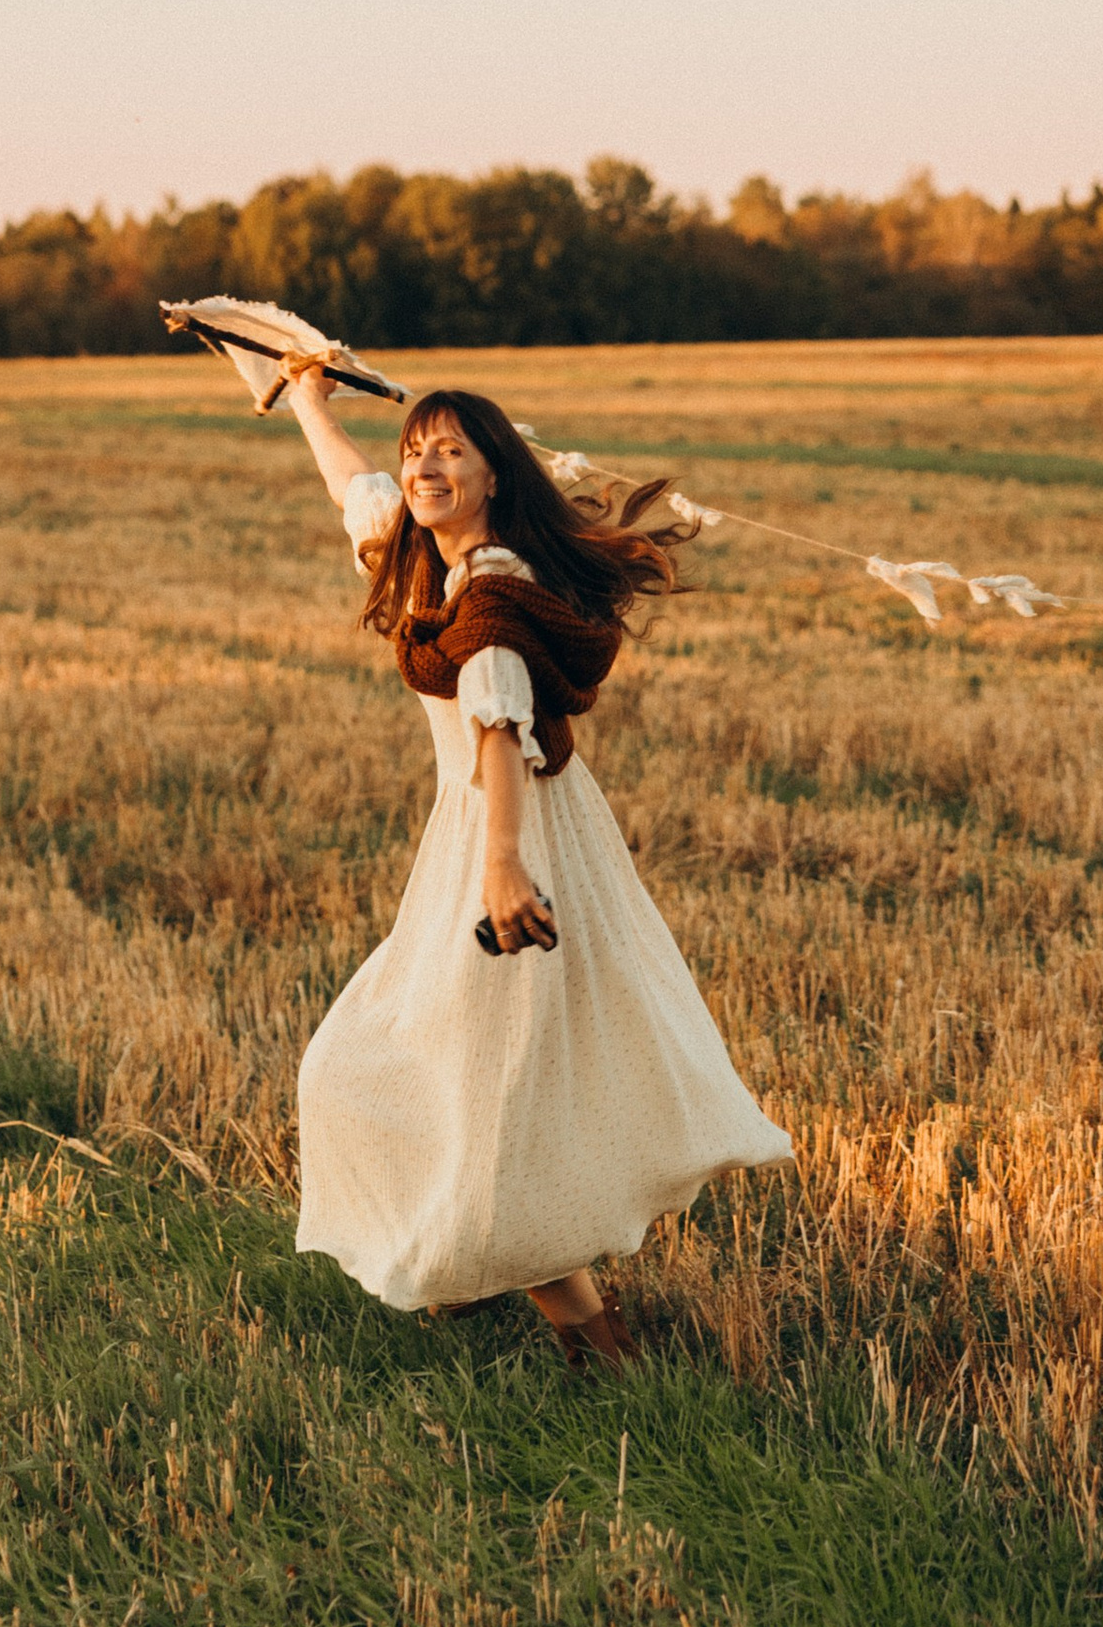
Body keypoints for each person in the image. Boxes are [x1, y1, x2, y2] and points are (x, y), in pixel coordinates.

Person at [282, 371, 793, 1367]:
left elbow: (498, 723)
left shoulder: (490, 584)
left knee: (465, 1083)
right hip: (479, 834)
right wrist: (302, 397)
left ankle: (588, 1342)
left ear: (492, 477)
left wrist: (504, 865)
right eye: (415, 449)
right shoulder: (421, 564)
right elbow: (356, 491)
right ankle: (474, 1268)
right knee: (440, 1066)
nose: (422, 466)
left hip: (512, 835)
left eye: (451, 452)